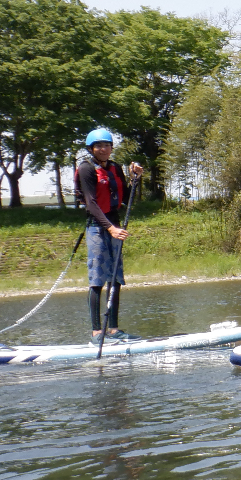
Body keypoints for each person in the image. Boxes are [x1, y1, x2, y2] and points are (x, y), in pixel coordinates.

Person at [75, 128, 144, 343]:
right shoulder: (86, 169)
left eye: (107, 145)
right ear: (92, 149)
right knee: (98, 279)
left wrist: (136, 178)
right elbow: (91, 203)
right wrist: (110, 228)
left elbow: (126, 195)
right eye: (99, 146)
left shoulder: (114, 168)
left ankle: (113, 329)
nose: (103, 149)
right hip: (97, 225)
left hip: (115, 224)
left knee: (116, 278)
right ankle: (97, 332)